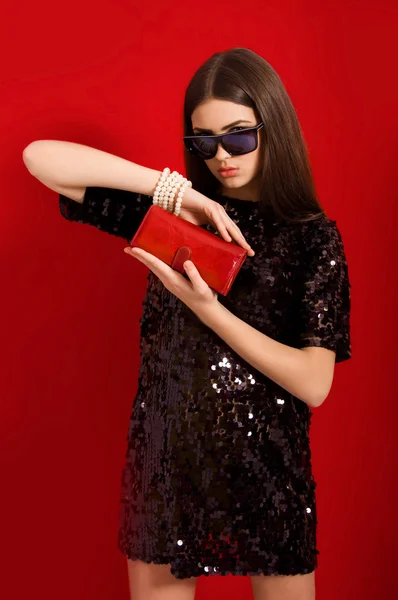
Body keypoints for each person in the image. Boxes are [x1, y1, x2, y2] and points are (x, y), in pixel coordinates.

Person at [22, 47, 351, 600]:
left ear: (274, 127)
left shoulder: (313, 238)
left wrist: (207, 310)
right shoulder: (173, 218)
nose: (223, 154)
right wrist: (171, 188)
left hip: (269, 475)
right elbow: (41, 158)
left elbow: (314, 384)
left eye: (240, 135)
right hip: (167, 468)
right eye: (205, 140)